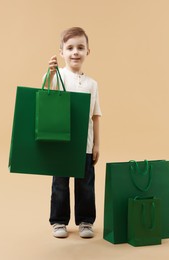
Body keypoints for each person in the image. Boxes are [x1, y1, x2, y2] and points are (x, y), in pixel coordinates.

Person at [43, 27, 102, 238]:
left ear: (88, 51)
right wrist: (51, 73)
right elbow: (47, 97)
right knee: (60, 184)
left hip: (84, 144)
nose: (75, 52)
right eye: (69, 48)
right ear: (62, 52)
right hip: (61, 142)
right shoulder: (58, 77)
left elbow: (95, 116)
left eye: (80, 47)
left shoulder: (92, 84)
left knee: (85, 184)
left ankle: (86, 221)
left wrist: (96, 144)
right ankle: (58, 221)